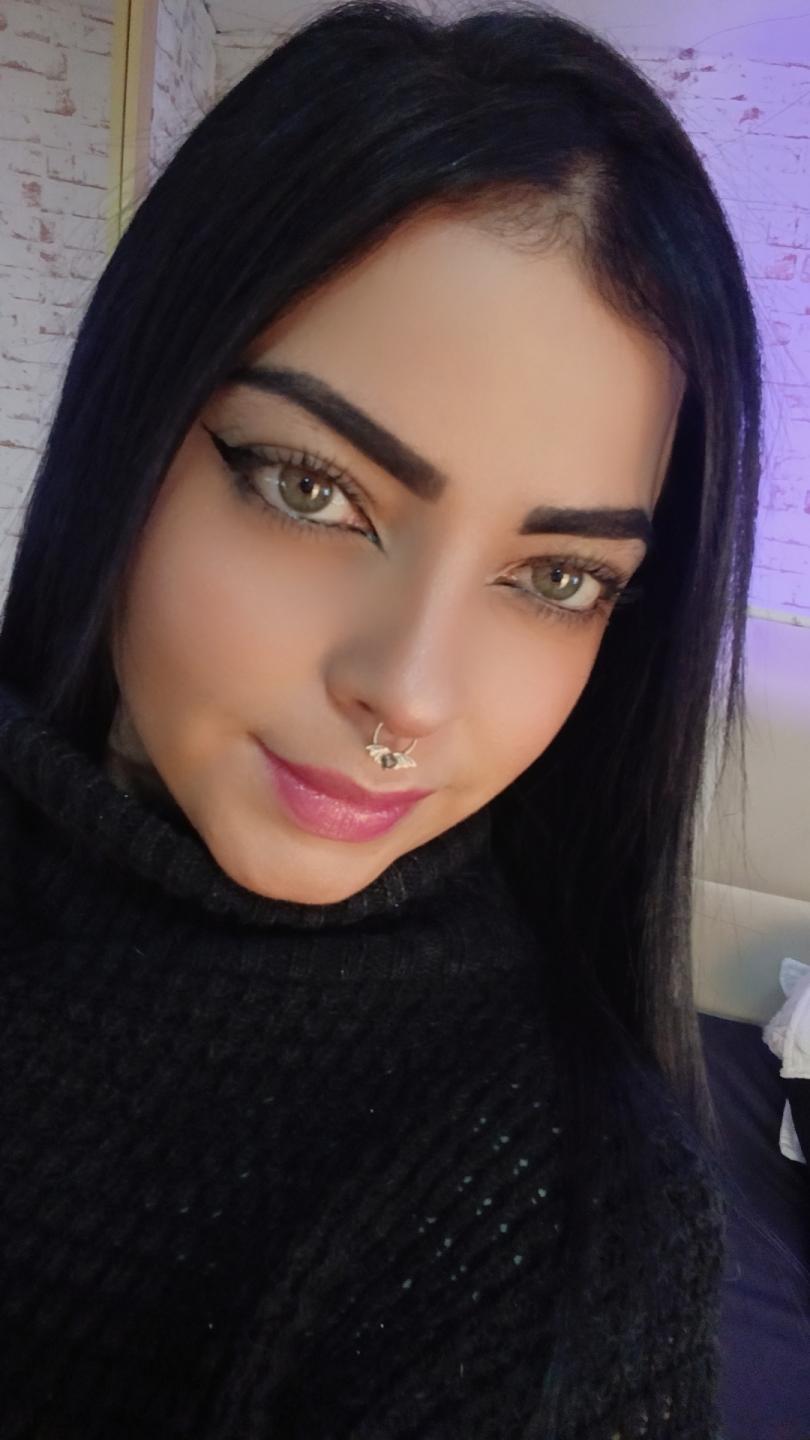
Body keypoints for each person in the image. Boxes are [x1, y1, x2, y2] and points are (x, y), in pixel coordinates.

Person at [0, 1, 761, 1436]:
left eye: (556, 578)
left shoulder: (560, 1243)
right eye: (312, 490)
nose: (407, 691)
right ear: (134, 426)